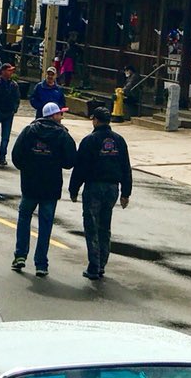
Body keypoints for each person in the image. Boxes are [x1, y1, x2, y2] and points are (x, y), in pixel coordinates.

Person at [10, 101, 77, 277]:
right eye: (60, 114)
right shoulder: (62, 135)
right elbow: (70, 161)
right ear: (53, 116)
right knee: (45, 225)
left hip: (30, 185)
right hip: (51, 186)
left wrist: (28, 167)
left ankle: (20, 255)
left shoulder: (28, 131)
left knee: (24, 218)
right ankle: (41, 263)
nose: (62, 117)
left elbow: (16, 156)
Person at [69, 104, 133, 280]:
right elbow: (126, 167)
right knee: (105, 226)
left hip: (94, 187)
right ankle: (102, 263)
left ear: (95, 121)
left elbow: (80, 167)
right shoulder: (119, 141)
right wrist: (126, 193)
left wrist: (73, 189)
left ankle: (94, 265)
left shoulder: (90, 141)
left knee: (91, 226)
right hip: (113, 188)